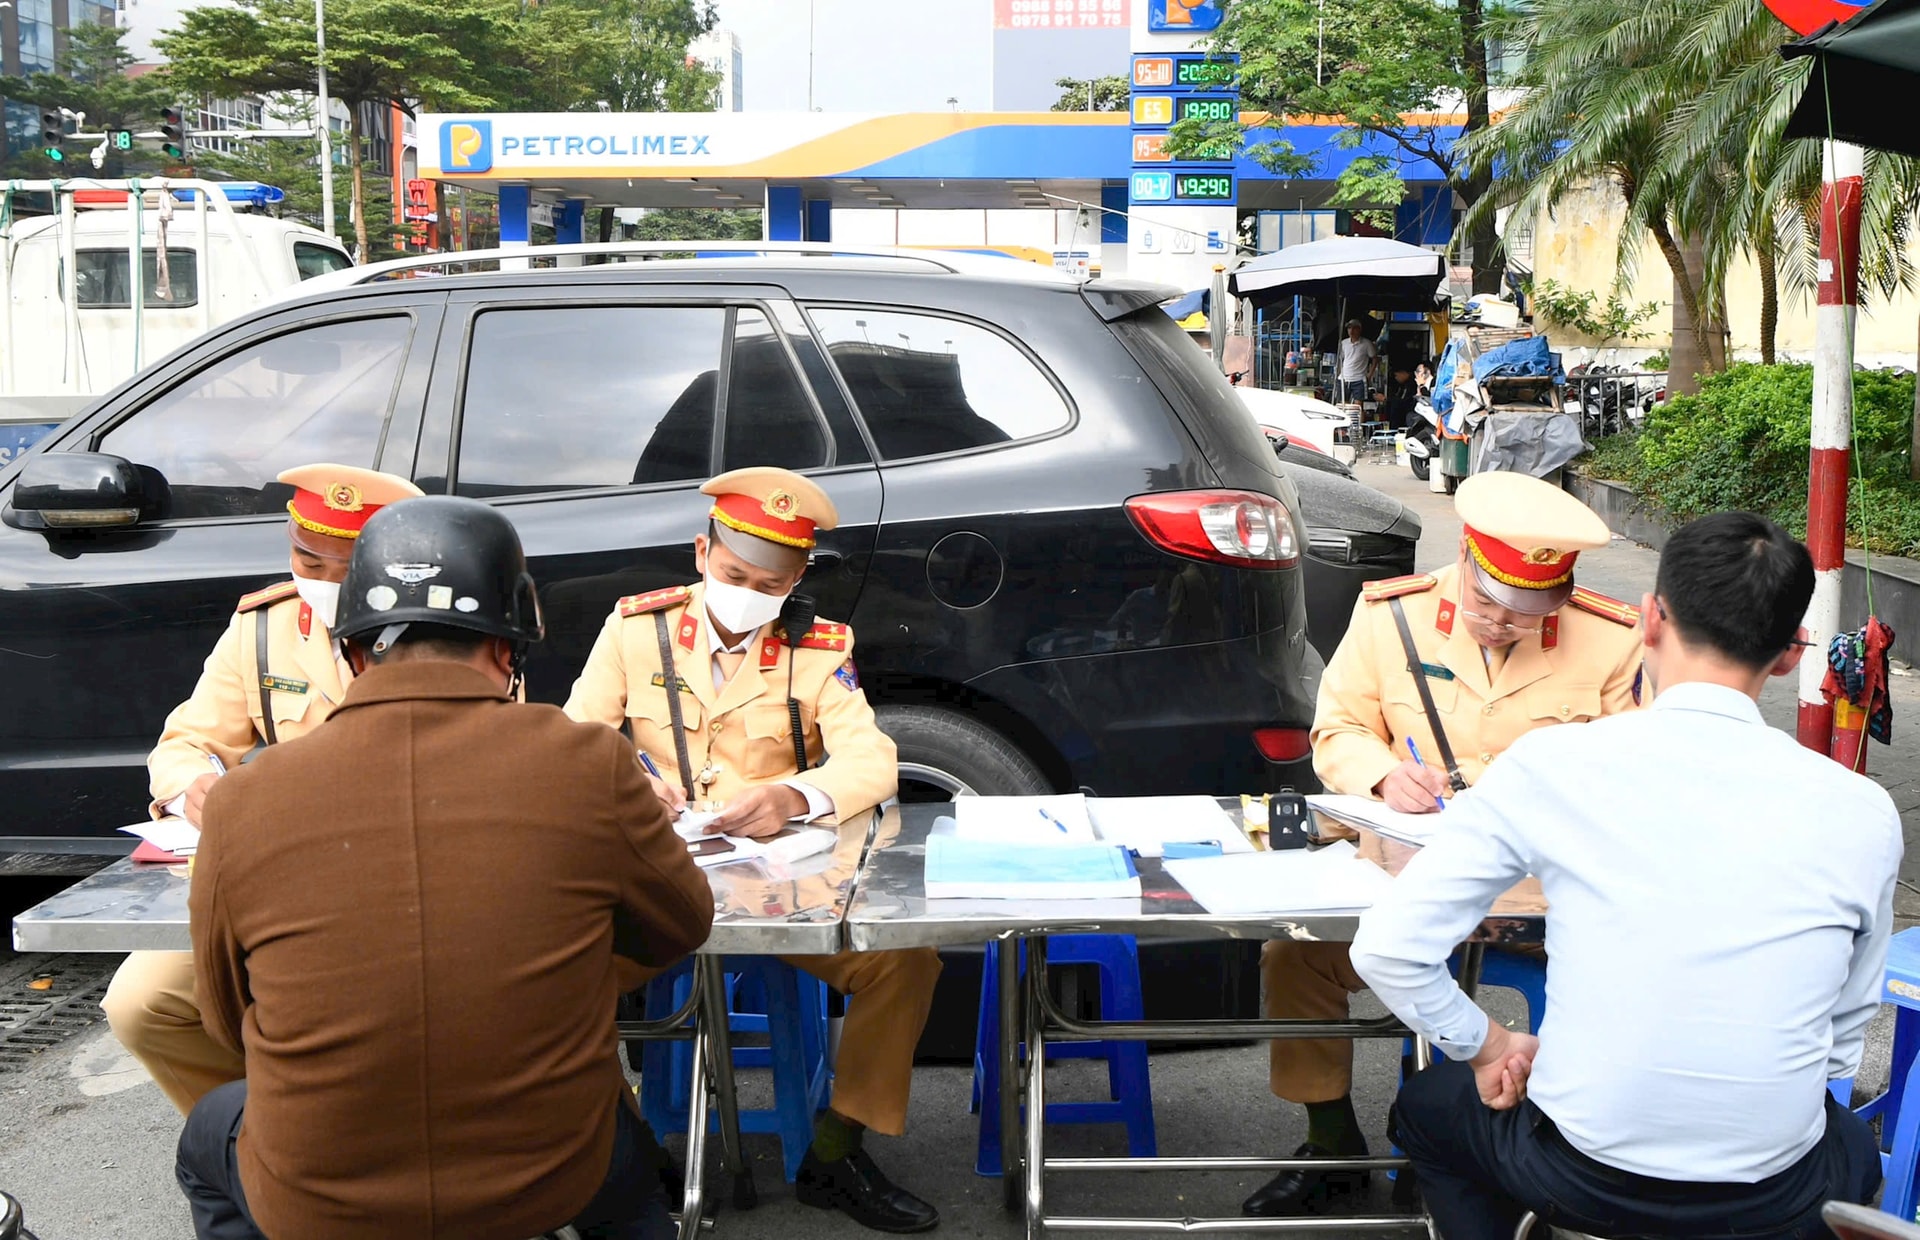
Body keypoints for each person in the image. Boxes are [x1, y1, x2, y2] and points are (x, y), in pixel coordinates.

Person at [175, 495, 713, 1240]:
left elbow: (226, 1018)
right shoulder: (590, 763)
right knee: (625, 1163)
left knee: (209, 1134)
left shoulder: (241, 799)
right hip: (547, 1173)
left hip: (322, 1198)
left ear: (353, 653)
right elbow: (681, 925)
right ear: (508, 650)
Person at [1352, 511, 1896, 1240]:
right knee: (1852, 1149)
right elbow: (1843, 1031)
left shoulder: (1554, 766)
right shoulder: (1864, 811)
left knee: (1428, 1109)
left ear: (1650, 619)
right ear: (1790, 655)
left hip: (1581, 1173)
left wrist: (1489, 1047)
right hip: (1772, 1192)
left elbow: (1388, 949)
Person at [1245, 470, 1644, 1218]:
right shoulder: (1392, 615)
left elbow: (1631, 775)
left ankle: (1526, 1150)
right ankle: (1332, 1145)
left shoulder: (1611, 638)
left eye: (1526, 614)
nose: (1501, 625)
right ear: (1465, 555)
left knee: (1611, 974)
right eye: (1489, 605)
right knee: (1294, 957)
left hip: (1542, 894)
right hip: (1407, 875)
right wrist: (1384, 775)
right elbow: (1338, 730)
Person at [564, 466, 941, 1234]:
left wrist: (794, 797)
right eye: (734, 576)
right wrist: (630, 779)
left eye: (769, 585)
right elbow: (576, 738)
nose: (747, 595)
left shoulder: (817, 646)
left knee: (905, 962)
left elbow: (872, 761)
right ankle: (632, 1149)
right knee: (558, 979)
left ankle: (836, 1150)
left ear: (796, 580)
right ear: (702, 553)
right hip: (660, 886)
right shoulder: (637, 631)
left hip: (780, 891)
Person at [103, 463, 423, 1117]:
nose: (326, 581)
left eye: (349, 568)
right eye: (309, 560)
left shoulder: (443, 633)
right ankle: (261, 1140)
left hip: (406, 881)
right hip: (280, 881)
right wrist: (196, 788)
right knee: (142, 1003)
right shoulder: (262, 627)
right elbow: (184, 741)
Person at [1336, 320, 1377, 405]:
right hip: (1344, 378)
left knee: (1358, 406)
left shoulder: (1366, 343)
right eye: (1349, 328)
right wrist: (1339, 372)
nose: (1351, 331)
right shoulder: (1343, 343)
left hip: (1359, 378)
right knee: (1343, 405)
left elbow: (1374, 359)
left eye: (1354, 328)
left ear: (1359, 329)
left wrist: (1370, 374)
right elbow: (1341, 359)